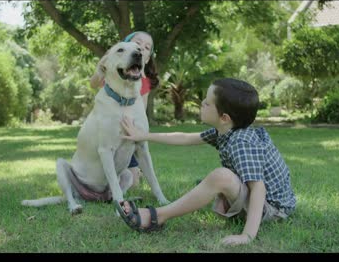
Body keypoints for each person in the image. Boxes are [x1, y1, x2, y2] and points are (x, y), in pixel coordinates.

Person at [116, 78, 296, 246]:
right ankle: (202, 195)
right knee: (213, 180)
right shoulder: (226, 130)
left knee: (221, 177)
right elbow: (185, 138)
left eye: (207, 103)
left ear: (224, 117)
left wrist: (247, 235)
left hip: (273, 210)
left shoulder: (242, 143)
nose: (202, 103)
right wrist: (142, 135)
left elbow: (258, 188)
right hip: (264, 202)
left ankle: (158, 216)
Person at [90, 31, 160, 186]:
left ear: (146, 59)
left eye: (146, 47)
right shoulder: (113, 72)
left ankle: (134, 171)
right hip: (108, 132)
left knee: (132, 182)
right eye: (137, 43)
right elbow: (93, 83)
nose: (141, 48)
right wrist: (104, 61)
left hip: (128, 138)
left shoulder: (143, 84)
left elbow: (139, 114)